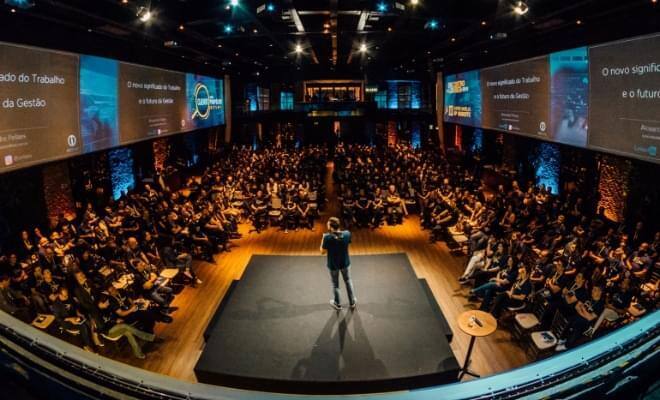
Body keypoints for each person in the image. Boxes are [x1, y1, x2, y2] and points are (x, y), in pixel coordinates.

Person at [320, 217, 356, 310]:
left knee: (335, 284)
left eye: (328, 224)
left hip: (333, 264)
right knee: (348, 281)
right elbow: (347, 243)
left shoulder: (327, 237)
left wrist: (323, 238)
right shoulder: (347, 234)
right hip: (345, 262)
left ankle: (337, 304)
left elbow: (322, 252)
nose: (327, 225)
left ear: (331, 227)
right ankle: (352, 302)